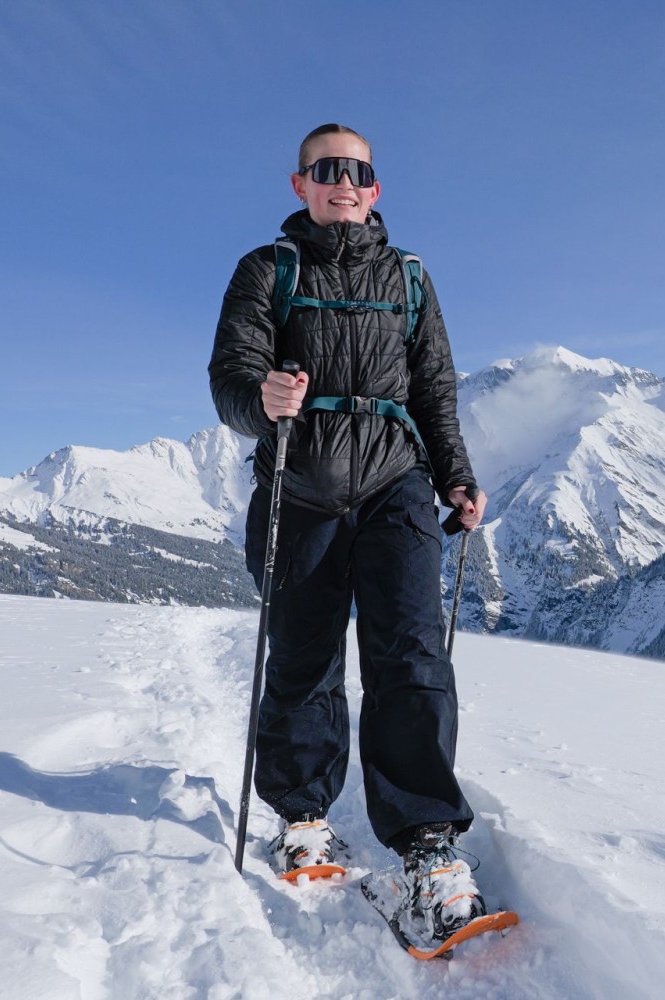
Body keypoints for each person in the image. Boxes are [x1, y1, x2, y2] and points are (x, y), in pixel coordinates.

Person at [209, 123, 489, 939]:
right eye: (327, 168)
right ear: (299, 183)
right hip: (300, 485)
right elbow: (230, 376)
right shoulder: (269, 270)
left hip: (395, 484)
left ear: (375, 187)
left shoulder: (409, 278)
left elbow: (434, 392)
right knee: (304, 655)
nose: (344, 180)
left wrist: (456, 477)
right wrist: (260, 398)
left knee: (410, 653)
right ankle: (302, 814)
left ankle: (429, 841)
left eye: (358, 170)